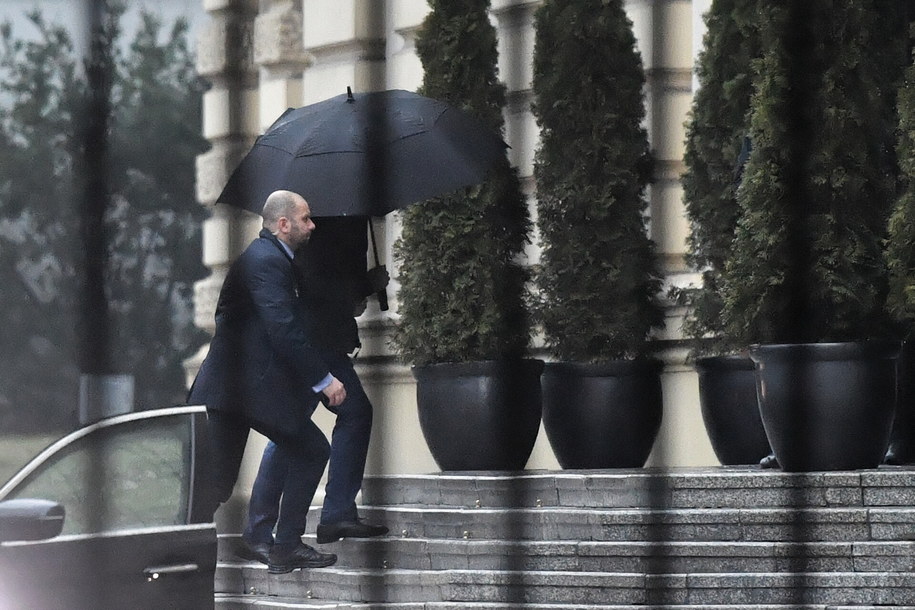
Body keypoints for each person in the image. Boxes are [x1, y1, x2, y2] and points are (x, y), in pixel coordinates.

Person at [187, 190, 343, 574]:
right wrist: (322, 380)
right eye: (305, 219)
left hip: (240, 390)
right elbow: (282, 327)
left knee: (217, 483)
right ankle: (283, 546)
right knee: (307, 451)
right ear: (283, 224)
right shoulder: (265, 261)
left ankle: (184, 548)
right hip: (241, 390)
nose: (312, 225)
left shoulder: (273, 260)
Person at [240, 216, 389, 564]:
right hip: (310, 343)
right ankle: (264, 530)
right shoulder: (318, 221)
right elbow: (317, 281)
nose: (306, 223)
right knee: (293, 429)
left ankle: (331, 514)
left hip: (326, 339)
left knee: (342, 416)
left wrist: (363, 287)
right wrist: (365, 286)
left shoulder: (352, 215)